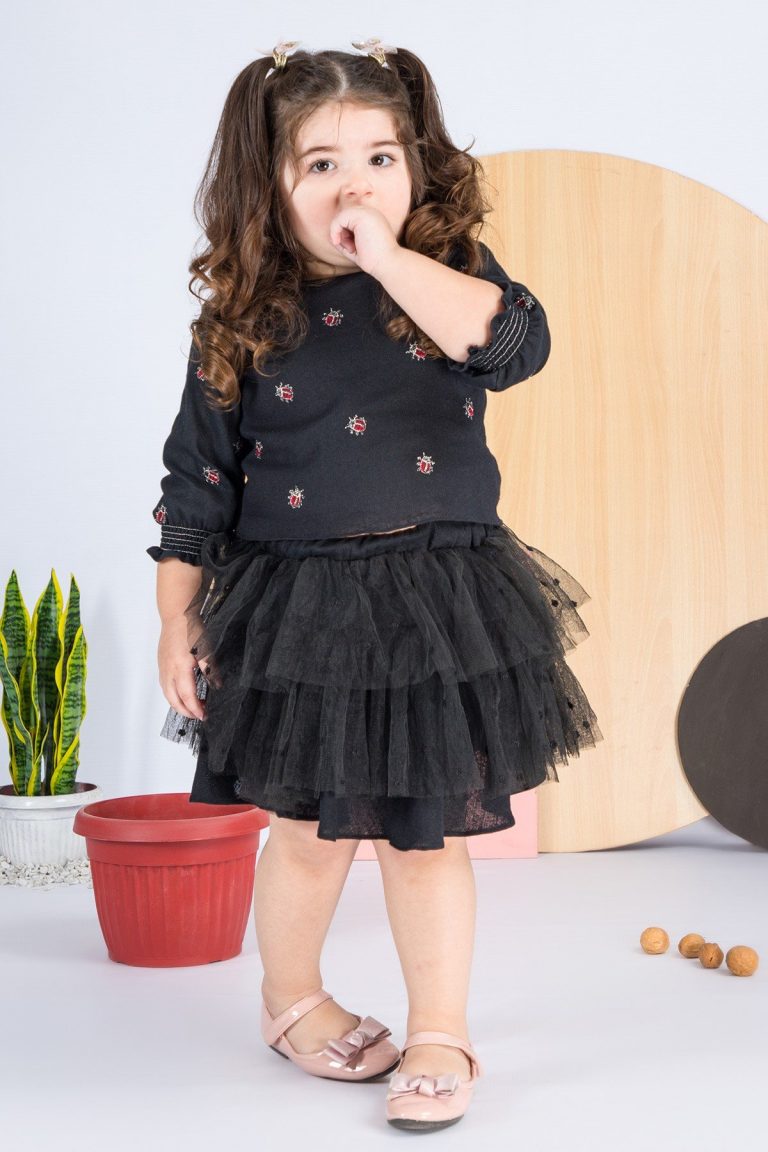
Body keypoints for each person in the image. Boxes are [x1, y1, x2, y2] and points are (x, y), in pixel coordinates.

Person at [148, 39, 603, 1132]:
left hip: (434, 606)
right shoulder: (244, 318)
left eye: (380, 159)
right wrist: (176, 618)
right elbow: (195, 485)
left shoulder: (443, 280)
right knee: (308, 835)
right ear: (270, 187)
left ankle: (439, 1028)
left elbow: (513, 345)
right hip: (300, 608)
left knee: (425, 835)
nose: (354, 186)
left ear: (416, 169)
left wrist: (392, 259)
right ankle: (292, 999)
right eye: (321, 165)